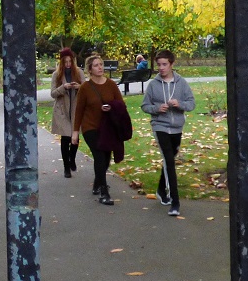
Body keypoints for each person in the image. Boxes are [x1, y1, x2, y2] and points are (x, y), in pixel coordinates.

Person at [140, 49, 195, 217]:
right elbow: (144, 106)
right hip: (160, 126)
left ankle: (160, 190)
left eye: (164, 64)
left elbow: (191, 104)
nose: (161, 68)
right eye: (159, 65)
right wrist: (157, 109)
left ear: (172, 64)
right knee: (169, 161)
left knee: (169, 159)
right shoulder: (153, 85)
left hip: (177, 127)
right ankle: (175, 201)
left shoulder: (181, 83)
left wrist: (179, 104)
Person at [71, 54, 128, 206]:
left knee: (106, 158)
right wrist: (75, 131)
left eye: (101, 64)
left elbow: (121, 105)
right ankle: (104, 192)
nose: (100, 67)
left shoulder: (110, 85)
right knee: (100, 156)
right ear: (90, 70)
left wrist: (111, 107)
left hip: (107, 127)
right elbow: (79, 110)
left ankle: (98, 182)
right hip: (90, 127)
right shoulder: (85, 87)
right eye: (96, 65)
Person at [49, 47, 82, 177]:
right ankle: (66, 167)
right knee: (65, 137)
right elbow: (53, 93)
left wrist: (78, 87)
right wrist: (63, 87)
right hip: (62, 110)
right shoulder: (56, 75)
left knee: (75, 136)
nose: (68, 64)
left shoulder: (78, 72)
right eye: (65, 62)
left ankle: (72, 158)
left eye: (70, 61)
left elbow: (85, 88)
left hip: (75, 108)